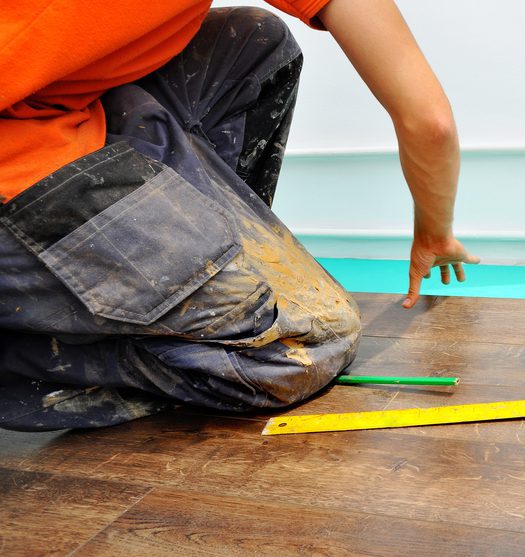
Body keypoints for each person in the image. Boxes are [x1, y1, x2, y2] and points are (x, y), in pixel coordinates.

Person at [0, 0, 480, 430]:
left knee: (256, 42)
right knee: (297, 353)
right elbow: (430, 123)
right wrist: (434, 234)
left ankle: (197, 293)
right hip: (17, 156)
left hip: (65, 107)